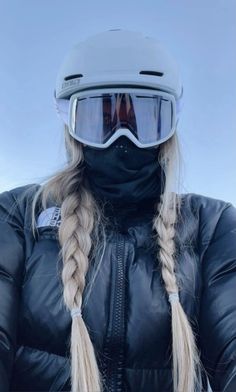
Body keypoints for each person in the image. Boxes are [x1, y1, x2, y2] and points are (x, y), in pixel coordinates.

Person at [0, 29, 235, 392]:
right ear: (72, 128)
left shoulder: (212, 229)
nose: (122, 138)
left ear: (169, 129)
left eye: (144, 119)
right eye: (101, 120)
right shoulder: (19, 218)